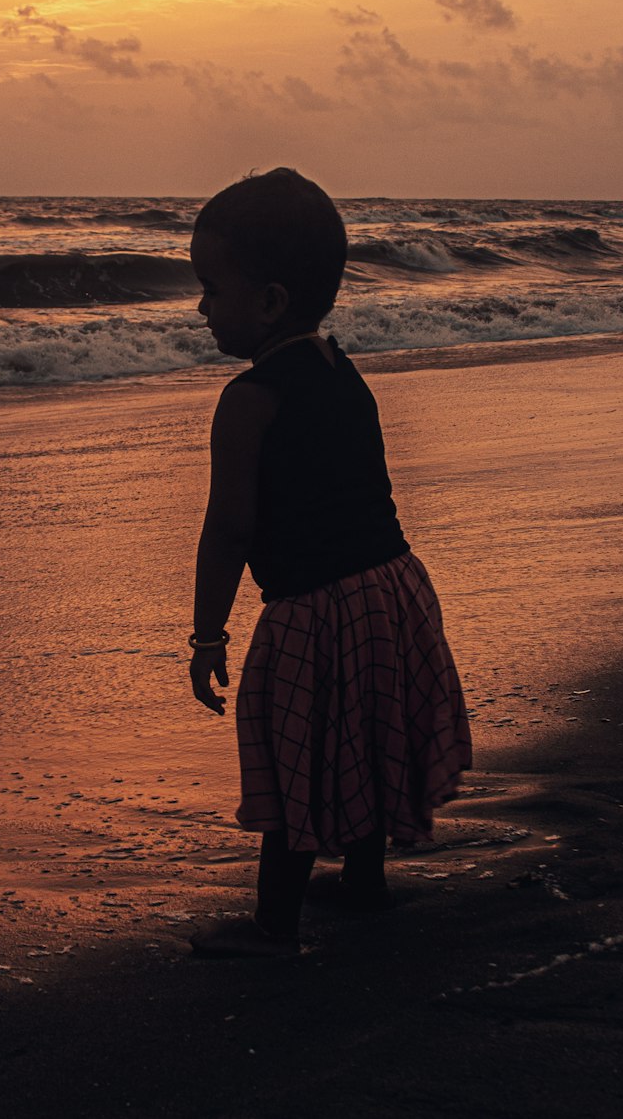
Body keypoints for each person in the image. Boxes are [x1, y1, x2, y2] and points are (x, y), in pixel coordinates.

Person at [186, 168, 471, 957]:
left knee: (298, 757)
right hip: (392, 588)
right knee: (368, 734)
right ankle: (365, 879)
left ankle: (274, 927)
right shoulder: (343, 370)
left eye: (211, 288)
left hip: (313, 609)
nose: (201, 307)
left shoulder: (249, 401)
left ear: (270, 300)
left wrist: (207, 636)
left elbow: (231, 530)